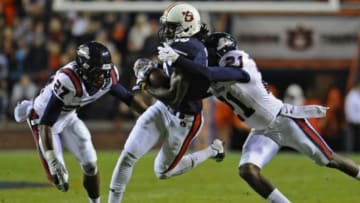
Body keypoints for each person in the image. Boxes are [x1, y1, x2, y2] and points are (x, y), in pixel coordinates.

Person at [158, 32, 360, 203]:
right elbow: (189, 95)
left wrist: (180, 60)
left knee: (330, 160)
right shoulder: (212, 72)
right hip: (261, 130)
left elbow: (210, 74)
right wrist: (152, 82)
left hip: (284, 120)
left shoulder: (237, 61)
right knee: (247, 170)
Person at [107, 3, 245, 203]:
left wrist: (149, 84)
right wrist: (151, 70)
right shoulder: (183, 46)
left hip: (185, 120)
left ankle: (213, 150)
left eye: (171, 26)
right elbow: (169, 84)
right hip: (164, 108)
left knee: (162, 171)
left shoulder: (188, 50)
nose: (166, 30)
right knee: (128, 156)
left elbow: (175, 96)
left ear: (185, 27)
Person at [14, 41, 147, 203]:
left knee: (91, 165)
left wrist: (151, 115)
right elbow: (47, 122)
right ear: (84, 68)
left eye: (105, 71)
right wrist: (52, 159)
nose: (102, 77)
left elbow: (129, 99)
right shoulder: (69, 81)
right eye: (98, 72)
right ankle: (30, 107)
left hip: (69, 115)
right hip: (42, 119)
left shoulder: (108, 78)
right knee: (60, 180)